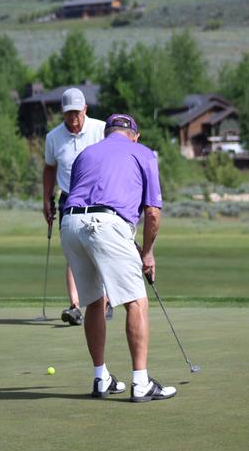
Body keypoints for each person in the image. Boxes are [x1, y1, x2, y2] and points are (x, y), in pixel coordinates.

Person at [60, 113, 177, 402]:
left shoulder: (86, 154)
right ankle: (141, 383)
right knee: (136, 301)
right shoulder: (144, 153)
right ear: (135, 136)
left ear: (107, 134)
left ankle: (101, 379)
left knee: (94, 301)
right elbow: (152, 213)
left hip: (70, 224)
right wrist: (147, 253)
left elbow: (88, 200)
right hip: (108, 224)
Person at [43, 87, 107, 326]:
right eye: (69, 113)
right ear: (63, 112)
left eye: (77, 112)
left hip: (99, 198)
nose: (74, 118)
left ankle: (105, 300)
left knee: (101, 249)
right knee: (73, 252)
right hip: (69, 199)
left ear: (85, 109)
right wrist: (46, 198)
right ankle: (74, 306)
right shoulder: (53, 137)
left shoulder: (101, 129)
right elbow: (49, 168)